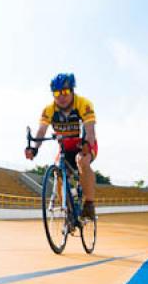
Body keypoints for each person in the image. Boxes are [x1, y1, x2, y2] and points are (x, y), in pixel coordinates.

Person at [25, 73, 98, 219]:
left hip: (83, 144)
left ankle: (89, 204)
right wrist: (35, 148)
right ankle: (70, 212)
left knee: (82, 161)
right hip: (65, 148)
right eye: (57, 93)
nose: (61, 97)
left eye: (64, 92)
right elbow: (41, 131)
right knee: (57, 173)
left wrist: (87, 146)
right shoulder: (49, 110)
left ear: (72, 90)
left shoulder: (83, 104)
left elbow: (90, 130)